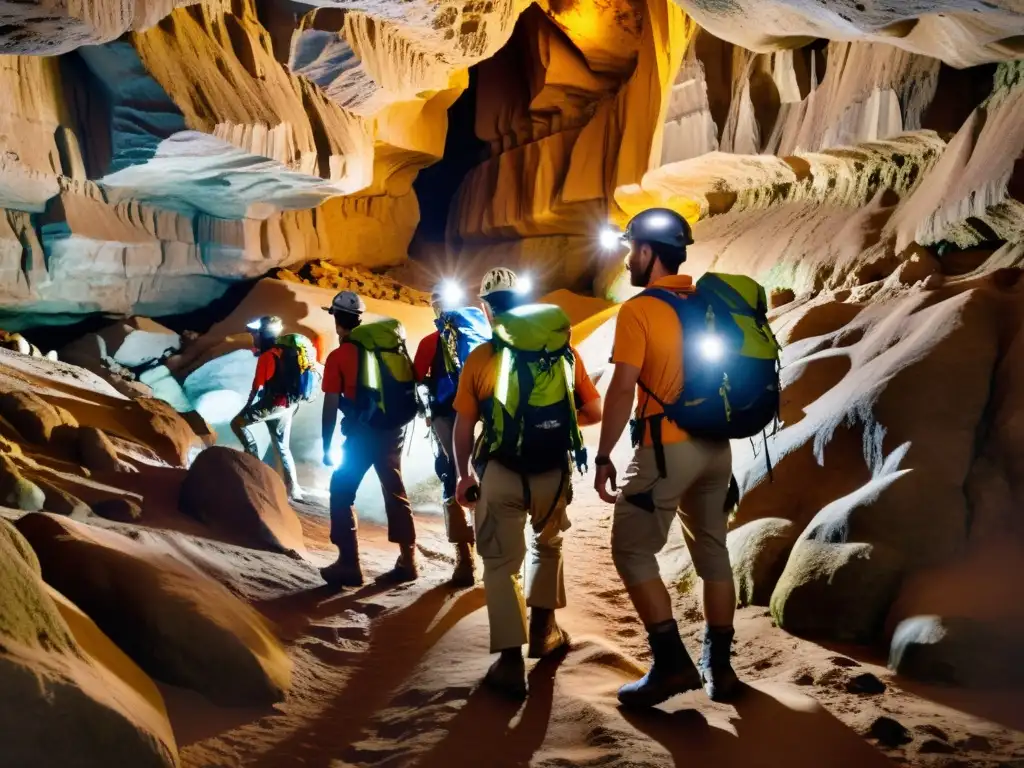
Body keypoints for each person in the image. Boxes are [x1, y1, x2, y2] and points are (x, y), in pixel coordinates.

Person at [594, 208, 738, 708]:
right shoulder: (710, 303)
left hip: (666, 449)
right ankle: (720, 669)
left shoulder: (640, 310)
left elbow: (622, 388)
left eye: (633, 249)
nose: (629, 259)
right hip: (717, 450)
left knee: (631, 550)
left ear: (649, 253)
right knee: (713, 552)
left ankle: (671, 661)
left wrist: (604, 454)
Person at [453, 268, 603, 698]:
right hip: (553, 473)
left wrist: (464, 473)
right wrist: (555, 424)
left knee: (501, 564)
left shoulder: (482, 357)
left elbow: (464, 424)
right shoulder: (564, 354)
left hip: (500, 472)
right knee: (548, 545)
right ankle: (545, 632)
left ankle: (509, 662)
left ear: (486, 307)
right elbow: (592, 411)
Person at [320, 290, 419, 588]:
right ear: (359, 319)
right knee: (394, 489)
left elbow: (330, 406)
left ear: (338, 320)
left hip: (362, 436)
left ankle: (349, 563)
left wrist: (326, 447)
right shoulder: (385, 347)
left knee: (341, 489)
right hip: (393, 430)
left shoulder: (339, 355)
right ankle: (408, 560)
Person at [413, 287, 489, 587]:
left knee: (452, 476)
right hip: (485, 416)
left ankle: (464, 559)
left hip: (448, 417)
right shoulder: (483, 338)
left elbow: (415, 379)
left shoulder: (430, 342)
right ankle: (494, 553)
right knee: (486, 477)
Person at [230, 315, 302, 501]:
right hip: (289, 405)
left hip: (274, 404)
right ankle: (294, 489)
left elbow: (257, 386)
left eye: (256, 334)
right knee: (282, 445)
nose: (254, 337)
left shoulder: (267, 356)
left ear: (263, 335)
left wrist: (247, 407)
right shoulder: (285, 352)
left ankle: (253, 466)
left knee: (237, 423)